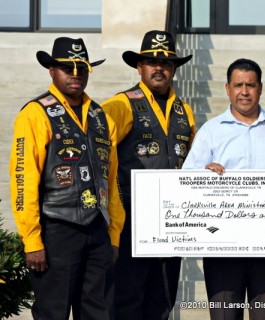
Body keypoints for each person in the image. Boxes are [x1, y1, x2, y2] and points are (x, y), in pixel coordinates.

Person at [9, 37, 125, 320]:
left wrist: (113, 235)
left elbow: (112, 180)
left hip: (97, 230)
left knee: (99, 313)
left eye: (81, 68)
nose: (75, 74)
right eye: (67, 68)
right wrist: (33, 240)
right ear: (52, 71)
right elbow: (23, 179)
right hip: (56, 230)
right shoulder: (36, 113)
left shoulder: (101, 116)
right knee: (53, 312)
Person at [182, 58, 265, 320]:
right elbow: (186, 180)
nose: (244, 91)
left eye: (250, 85)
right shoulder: (211, 131)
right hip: (222, 247)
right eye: (238, 85)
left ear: (260, 88)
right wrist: (203, 174)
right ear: (227, 88)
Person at [100, 30, 196, 320]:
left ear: (175, 69)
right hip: (131, 221)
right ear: (139, 67)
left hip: (170, 222)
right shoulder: (120, 105)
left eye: (166, 63)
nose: (159, 68)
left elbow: (192, 162)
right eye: (152, 62)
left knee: (162, 301)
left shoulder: (185, 111)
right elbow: (97, 154)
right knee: (128, 299)